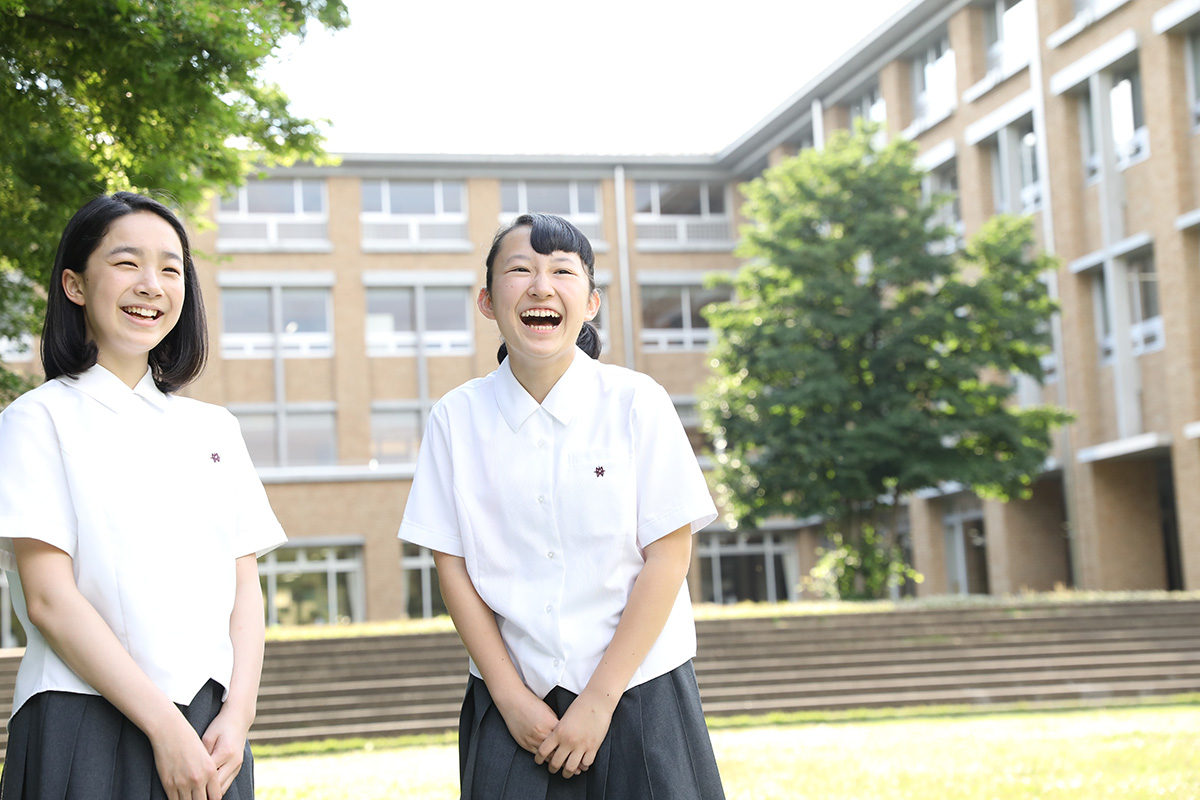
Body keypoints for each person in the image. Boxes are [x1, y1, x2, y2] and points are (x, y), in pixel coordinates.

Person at [398, 212, 726, 799]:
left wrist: (599, 702)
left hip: (641, 692)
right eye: (519, 270)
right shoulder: (456, 417)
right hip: (512, 705)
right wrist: (508, 695)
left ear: (592, 301)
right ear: (487, 302)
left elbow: (669, 557)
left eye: (562, 272)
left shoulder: (637, 402)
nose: (541, 286)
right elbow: (451, 565)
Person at [0, 191, 286, 800]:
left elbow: (244, 588)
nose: (151, 284)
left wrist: (238, 716)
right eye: (127, 263)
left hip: (211, 731)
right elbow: (49, 598)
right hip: (82, 719)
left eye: (171, 267)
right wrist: (164, 726)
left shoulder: (215, 428)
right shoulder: (37, 420)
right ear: (75, 286)